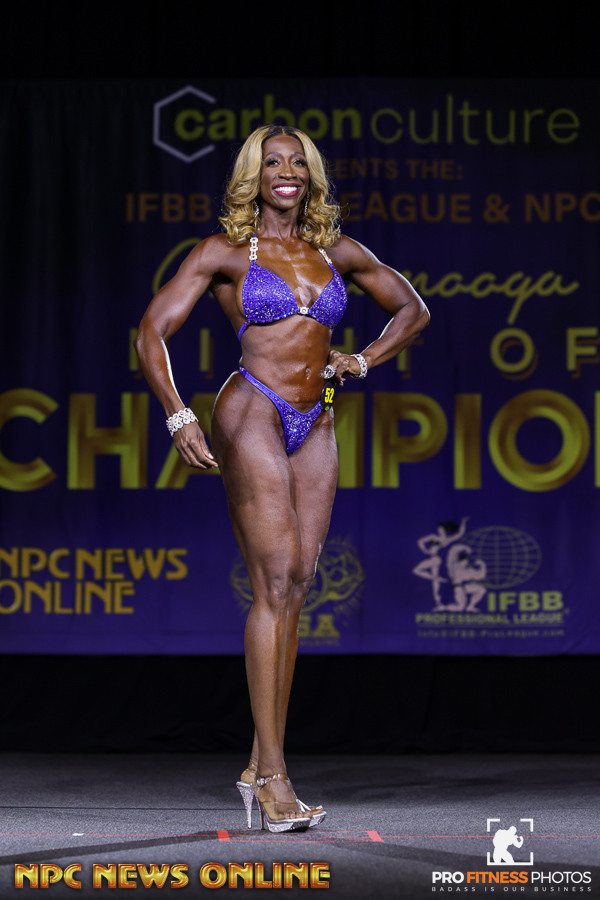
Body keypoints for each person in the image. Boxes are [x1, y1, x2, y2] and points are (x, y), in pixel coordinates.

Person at [135, 124, 429, 832]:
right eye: (273, 163)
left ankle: (257, 764)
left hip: (316, 419)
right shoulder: (224, 252)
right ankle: (273, 778)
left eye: (298, 162)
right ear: (255, 175)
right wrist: (178, 415)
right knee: (272, 582)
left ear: (311, 175)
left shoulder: (336, 251)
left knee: (298, 583)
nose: (287, 171)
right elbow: (151, 331)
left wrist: (363, 359)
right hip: (252, 410)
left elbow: (413, 309)